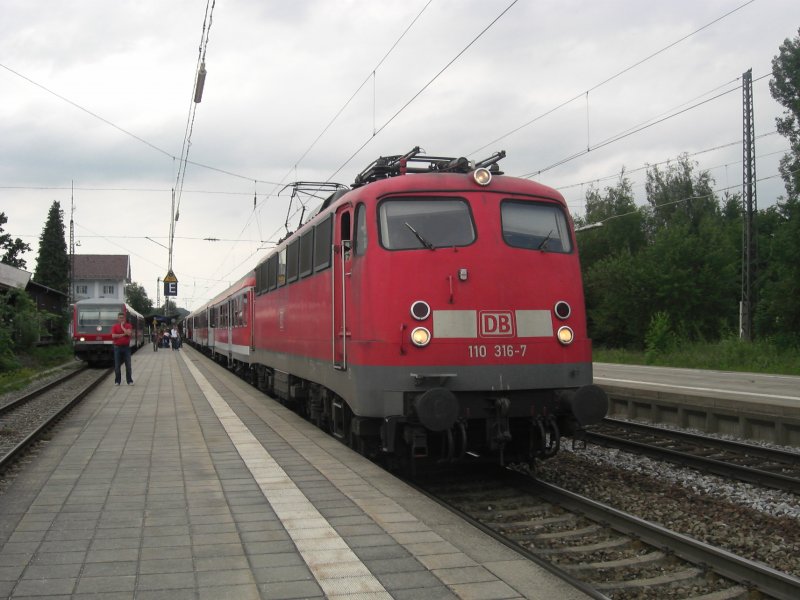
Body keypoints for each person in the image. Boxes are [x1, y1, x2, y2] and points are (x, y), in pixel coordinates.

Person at [111, 312, 134, 385]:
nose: (121, 319)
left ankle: (129, 380)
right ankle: (117, 381)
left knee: (128, 365)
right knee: (117, 365)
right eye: (120, 318)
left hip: (126, 347)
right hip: (117, 347)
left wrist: (122, 327)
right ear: (118, 318)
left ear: (124, 318)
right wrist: (124, 334)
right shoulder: (114, 326)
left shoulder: (128, 325)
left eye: (122, 318)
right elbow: (113, 336)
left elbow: (129, 333)